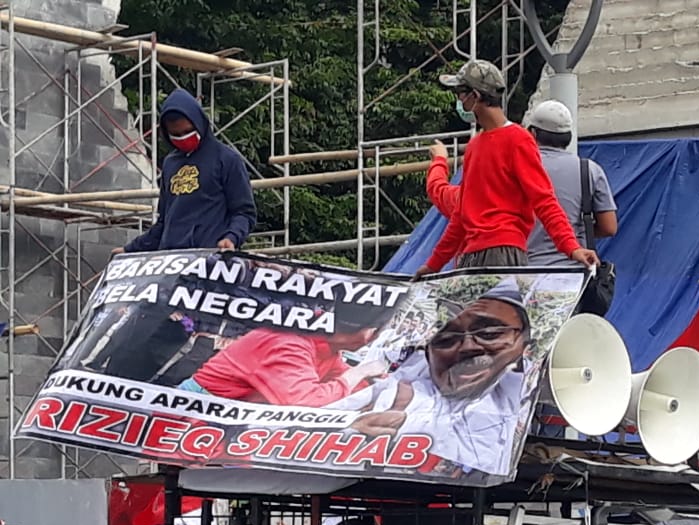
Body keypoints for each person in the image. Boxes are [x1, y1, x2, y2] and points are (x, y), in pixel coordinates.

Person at [332, 281, 534, 476]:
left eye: (489, 333)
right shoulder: (398, 393)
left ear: (526, 347)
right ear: (428, 353)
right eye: (447, 339)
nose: (467, 347)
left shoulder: (524, 385)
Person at [414, 60, 598, 275]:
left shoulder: (518, 139)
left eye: (460, 94)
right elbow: (462, 215)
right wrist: (433, 264)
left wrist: (571, 247)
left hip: (502, 252)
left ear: (475, 96)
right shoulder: (475, 146)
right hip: (472, 255)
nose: (459, 100)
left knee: (492, 308)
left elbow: (544, 199)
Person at [426, 100, 618, 268]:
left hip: (519, 264)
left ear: (532, 133)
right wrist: (573, 243)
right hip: (569, 271)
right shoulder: (589, 170)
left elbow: (451, 199)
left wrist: (440, 161)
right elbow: (608, 227)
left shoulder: (502, 164)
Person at [116, 88, 256, 256]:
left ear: (199, 123)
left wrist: (232, 237)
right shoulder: (170, 163)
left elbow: (244, 212)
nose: (183, 137)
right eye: (175, 134)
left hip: (209, 261)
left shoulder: (227, 159)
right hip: (170, 263)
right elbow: (163, 223)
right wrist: (129, 250)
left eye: (188, 131)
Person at [182, 300, 395, 406]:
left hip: (229, 413)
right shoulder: (290, 342)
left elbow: (337, 376)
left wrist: (371, 381)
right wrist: (358, 373)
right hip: (196, 413)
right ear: (369, 333)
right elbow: (305, 401)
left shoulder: (323, 340)